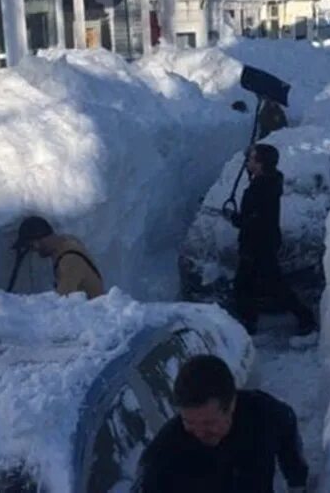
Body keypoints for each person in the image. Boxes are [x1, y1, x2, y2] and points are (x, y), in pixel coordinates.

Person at [134, 355, 309, 493]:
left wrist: (296, 480)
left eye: (209, 422)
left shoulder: (263, 414)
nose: (199, 432)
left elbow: (287, 428)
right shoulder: (162, 456)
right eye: (189, 422)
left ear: (231, 404)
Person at [226, 144, 316, 336]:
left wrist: (235, 219)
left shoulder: (261, 188)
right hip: (263, 242)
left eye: (251, 159)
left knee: (251, 285)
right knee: (256, 284)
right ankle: (251, 321)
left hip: (257, 244)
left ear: (260, 164)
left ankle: (250, 323)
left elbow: (254, 219)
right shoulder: (269, 181)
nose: (247, 162)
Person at [11, 216, 104, 299]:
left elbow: (62, 301)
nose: (33, 250)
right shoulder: (67, 243)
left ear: (39, 242)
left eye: (31, 246)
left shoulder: (69, 261)